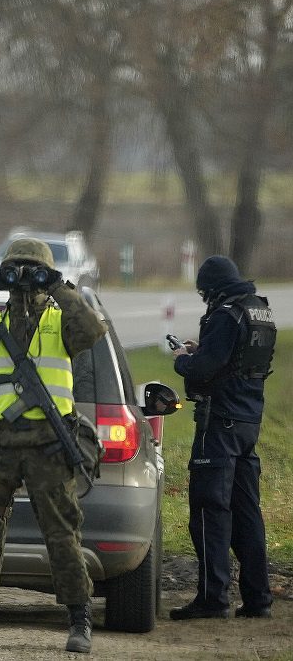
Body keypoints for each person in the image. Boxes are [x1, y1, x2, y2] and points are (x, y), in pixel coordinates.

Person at [0, 238, 107, 653]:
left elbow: (92, 330)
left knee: (62, 534)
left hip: (49, 445)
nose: (24, 282)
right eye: (17, 271)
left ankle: (78, 619)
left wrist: (58, 286)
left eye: (32, 272)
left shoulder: (60, 322)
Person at [168, 255, 275, 621]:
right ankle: (258, 598)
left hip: (220, 424)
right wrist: (204, 352)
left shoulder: (226, 314)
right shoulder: (258, 310)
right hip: (248, 422)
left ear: (212, 289)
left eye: (204, 293)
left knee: (208, 510)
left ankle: (213, 599)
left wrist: (182, 358)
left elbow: (203, 370)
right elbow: (237, 360)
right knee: (247, 512)